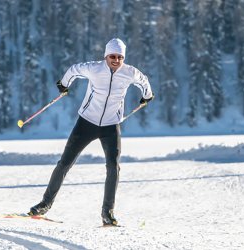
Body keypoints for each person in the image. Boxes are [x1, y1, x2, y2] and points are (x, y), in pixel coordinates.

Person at [28, 38, 154, 226]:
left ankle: (107, 212)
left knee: (113, 167)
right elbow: (73, 70)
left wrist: (147, 96)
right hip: (86, 123)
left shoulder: (130, 72)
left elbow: (143, 81)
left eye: (120, 57)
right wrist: (64, 84)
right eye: (112, 56)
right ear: (106, 56)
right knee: (64, 163)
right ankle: (45, 204)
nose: (116, 60)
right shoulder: (94, 68)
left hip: (111, 126)